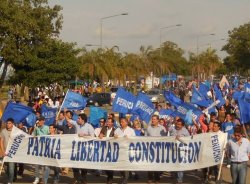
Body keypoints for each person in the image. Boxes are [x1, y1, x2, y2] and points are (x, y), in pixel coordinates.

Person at [145, 115, 166, 184]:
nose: (153, 120)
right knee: (150, 164)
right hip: (150, 149)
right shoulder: (148, 128)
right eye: (152, 119)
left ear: (158, 120)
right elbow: (145, 138)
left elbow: (165, 138)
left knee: (157, 165)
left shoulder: (162, 128)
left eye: (154, 119)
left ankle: (157, 179)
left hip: (158, 149)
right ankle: (150, 178)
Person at [169, 118, 190, 184]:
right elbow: (167, 129)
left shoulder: (185, 131)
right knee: (173, 164)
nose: (177, 125)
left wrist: (179, 139)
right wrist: (170, 122)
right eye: (177, 124)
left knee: (180, 166)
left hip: (181, 151)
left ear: (182, 125)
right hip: (172, 150)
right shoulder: (173, 129)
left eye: (179, 124)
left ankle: (179, 180)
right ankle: (174, 177)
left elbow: (188, 141)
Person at [99, 117, 116, 184]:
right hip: (104, 148)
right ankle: (109, 176)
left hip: (111, 149)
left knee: (110, 165)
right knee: (104, 165)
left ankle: (110, 178)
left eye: (109, 122)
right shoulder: (103, 128)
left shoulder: (115, 130)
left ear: (112, 123)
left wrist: (116, 137)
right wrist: (100, 135)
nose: (108, 123)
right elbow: (100, 135)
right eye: (107, 122)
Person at [33, 116, 50, 184]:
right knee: (37, 165)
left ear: (43, 121)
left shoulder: (47, 128)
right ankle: (37, 178)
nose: (39, 122)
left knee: (46, 166)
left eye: (40, 121)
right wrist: (35, 129)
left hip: (46, 149)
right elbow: (34, 137)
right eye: (38, 121)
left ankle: (44, 180)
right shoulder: (36, 128)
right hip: (38, 149)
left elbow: (50, 136)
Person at [0, 118, 17, 184]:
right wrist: (2, 151)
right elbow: (1, 141)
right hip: (5, 152)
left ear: (13, 124)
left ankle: (10, 181)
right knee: (5, 167)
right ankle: (10, 177)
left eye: (9, 123)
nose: (8, 124)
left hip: (12, 152)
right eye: (7, 123)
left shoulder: (16, 132)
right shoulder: (3, 131)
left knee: (11, 168)